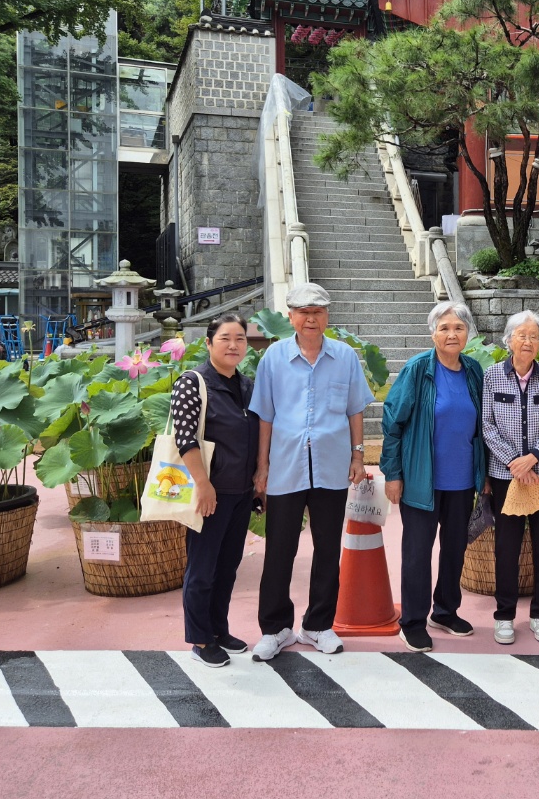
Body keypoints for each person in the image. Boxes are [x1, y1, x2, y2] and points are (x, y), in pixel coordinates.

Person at [249, 283, 373, 660]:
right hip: (286, 467)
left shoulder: (345, 357)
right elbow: (265, 415)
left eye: (317, 311)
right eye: (302, 311)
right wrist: (262, 467)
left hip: (332, 466)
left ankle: (318, 625)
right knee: (279, 550)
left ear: (327, 316)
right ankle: (276, 628)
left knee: (326, 550)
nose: (310, 318)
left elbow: (355, 409)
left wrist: (357, 457)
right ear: (290, 317)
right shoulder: (273, 357)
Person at [382, 302, 487, 653]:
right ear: (433, 333)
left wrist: (483, 474)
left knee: (455, 550)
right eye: (444, 328)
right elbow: (393, 424)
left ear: (468, 333)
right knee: (416, 553)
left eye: (458, 327)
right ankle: (411, 620)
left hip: (461, 481)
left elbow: (483, 426)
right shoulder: (418, 369)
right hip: (421, 480)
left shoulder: (473, 370)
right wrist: (393, 474)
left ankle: (444, 611)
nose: (452, 334)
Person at [171, 315, 259, 667]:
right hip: (210, 491)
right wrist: (203, 484)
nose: (233, 344)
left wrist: (257, 483)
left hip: (241, 492)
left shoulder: (249, 386)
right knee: (202, 568)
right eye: (225, 338)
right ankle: (201, 639)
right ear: (209, 343)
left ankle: (219, 630)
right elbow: (185, 438)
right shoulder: (193, 383)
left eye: (240, 338)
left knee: (227, 566)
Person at [481, 310, 539, 644]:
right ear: (509, 339)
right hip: (506, 475)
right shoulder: (492, 376)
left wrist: (533, 458)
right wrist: (515, 462)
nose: (527, 341)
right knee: (506, 547)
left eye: (534, 336)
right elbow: (486, 424)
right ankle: (504, 616)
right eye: (521, 335)